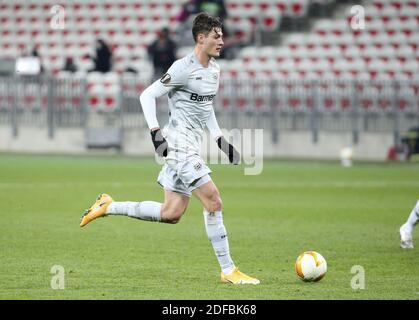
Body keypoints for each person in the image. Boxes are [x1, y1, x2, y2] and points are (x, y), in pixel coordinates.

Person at [80, 13, 260, 285]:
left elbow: (205, 105)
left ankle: (108, 206)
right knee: (213, 200)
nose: (222, 40)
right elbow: (147, 95)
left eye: (222, 35)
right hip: (177, 144)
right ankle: (228, 270)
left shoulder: (214, 70)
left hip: (192, 144)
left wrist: (220, 139)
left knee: (171, 213)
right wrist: (155, 134)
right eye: (216, 36)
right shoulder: (182, 68)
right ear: (201, 38)